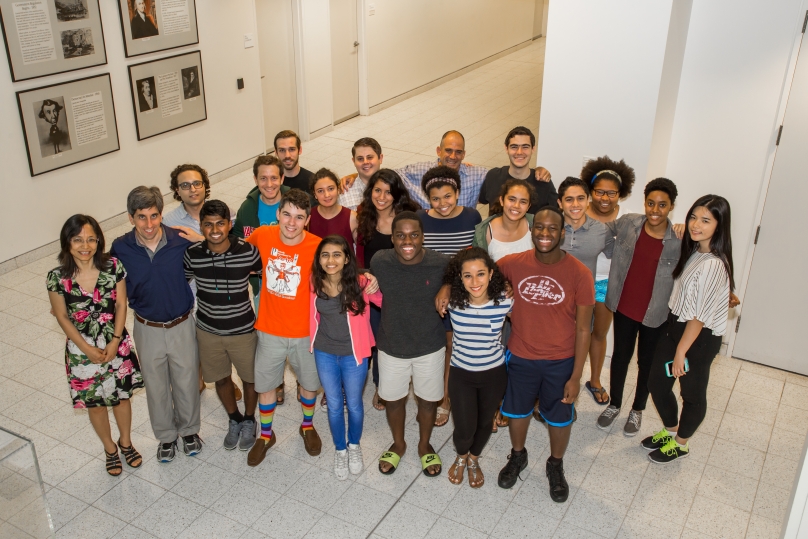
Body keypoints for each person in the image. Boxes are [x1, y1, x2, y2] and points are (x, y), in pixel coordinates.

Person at [495, 206, 595, 502]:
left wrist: (577, 376)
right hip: (521, 355)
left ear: (563, 233)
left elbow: (583, 330)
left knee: (560, 417)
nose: (545, 233)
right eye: (539, 227)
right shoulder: (512, 264)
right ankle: (518, 456)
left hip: (561, 361)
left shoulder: (580, 273)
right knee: (516, 410)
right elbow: (478, 277)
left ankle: (555, 464)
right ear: (531, 230)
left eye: (552, 228)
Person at [110, 186, 202, 463]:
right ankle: (165, 437)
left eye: (154, 216)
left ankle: (189, 432)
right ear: (130, 218)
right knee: (156, 385)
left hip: (182, 323)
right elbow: (100, 279)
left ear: (161, 215)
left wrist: (202, 239)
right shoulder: (120, 247)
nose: (149, 225)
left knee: (186, 381)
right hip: (147, 327)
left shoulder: (180, 240)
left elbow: (219, 252)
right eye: (141, 217)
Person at [47, 215, 144, 476]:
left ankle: (126, 442)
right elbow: (62, 316)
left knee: (122, 398)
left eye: (91, 239)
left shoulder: (113, 266)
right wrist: (87, 348)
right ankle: (110, 448)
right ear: (67, 243)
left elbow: (122, 304)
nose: (85, 245)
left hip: (117, 345)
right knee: (97, 404)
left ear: (98, 240)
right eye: (77, 239)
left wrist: (115, 341)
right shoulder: (57, 278)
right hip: (81, 351)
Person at [644, 195, 735, 463]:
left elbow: (698, 316)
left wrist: (682, 351)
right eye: (694, 217)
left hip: (698, 338)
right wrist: (684, 229)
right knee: (657, 383)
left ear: (719, 225)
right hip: (676, 327)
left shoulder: (714, 264)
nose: (696, 224)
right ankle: (672, 430)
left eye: (706, 220)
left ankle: (681, 443)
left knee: (691, 393)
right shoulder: (696, 250)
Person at [596, 178, 683, 435]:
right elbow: (599, 229)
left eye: (662, 205)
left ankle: (637, 410)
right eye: (651, 203)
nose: (655, 210)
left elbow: (698, 261)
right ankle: (615, 404)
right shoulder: (629, 223)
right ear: (644, 203)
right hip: (625, 304)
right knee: (621, 356)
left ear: (671, 207)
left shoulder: (678, 237)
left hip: (656, 312)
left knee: (646, 361)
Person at [244, 189, 323, 466]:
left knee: (310, 384)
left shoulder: (318, 246)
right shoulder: (262, 236)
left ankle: (307, 426)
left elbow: (341, 275)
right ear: (277, 214)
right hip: (269, 330)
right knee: (265, 385)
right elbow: (239, 255)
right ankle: (266, 435)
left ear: (308, 219)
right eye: (286, 214)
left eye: (299, 217)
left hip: (305, 333)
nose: (291, 222)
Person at [370, 212, 449, 477]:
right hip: (392, 346)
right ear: (391, 238)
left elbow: (461, 274)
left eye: (414, 235)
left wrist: (447, 286)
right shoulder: (380, 261)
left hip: (430, 346)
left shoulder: (440, 263)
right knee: (394, 400)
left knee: (428, 402)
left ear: (423, 237)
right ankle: (399, 443)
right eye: (400, 235)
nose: (408, 241)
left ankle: (425, 445)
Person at [183, 200, 262, 453]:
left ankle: (250, 418)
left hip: (243, 331)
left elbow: (262, 275)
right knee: (220, 378)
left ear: (230, 224)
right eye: (208, 224)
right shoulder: (192, 254)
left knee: (250, 379)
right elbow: (182, 282)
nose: (214, 229)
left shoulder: (248, 252)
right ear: (201, 226)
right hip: (208, 331)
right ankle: (234, 418)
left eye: (220, 223)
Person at [163, 164, 242, 398]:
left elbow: (236, 248)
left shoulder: (221, 211)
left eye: (197, 183)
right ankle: (200, 380)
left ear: (205, 186)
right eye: (185, 185)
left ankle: (226, 380)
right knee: (196, 341)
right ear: (177, 190)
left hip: (223, 288)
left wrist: (201, 240)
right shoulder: (169, 221)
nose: (192, 189)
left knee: (224, 341)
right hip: (190, 291)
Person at [309, 235, 382, 479]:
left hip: (354, 354)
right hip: (324, 352)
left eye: (337, 254)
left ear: (347, 258)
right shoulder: (313, 282)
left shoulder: (361, 283)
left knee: (354, 404)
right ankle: (340, 449)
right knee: (333, 405)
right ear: (319, 259)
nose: (331, 260)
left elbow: (386, 301)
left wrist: (376, 281)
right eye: (325, 255)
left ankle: (354, 446)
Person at [417, 165, 482, 427]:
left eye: (447, 196)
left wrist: (450, 285)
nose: (442, 203)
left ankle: (446, 398)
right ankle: (430, 395)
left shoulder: (472, 217)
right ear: (427, 199)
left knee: (453, 347)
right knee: (432, 348)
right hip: (428, 293)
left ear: (457, 193)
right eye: (435, 198)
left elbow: (475, 259)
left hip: (462, 293)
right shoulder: (421, 219)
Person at [340, 130, 551, 209]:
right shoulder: (417, 171)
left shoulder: (478, 175)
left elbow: (510, 173)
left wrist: (536, 170)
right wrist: (357, 174)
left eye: (458, 152)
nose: (452, 156)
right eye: (448, 151)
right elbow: (385, 174)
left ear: (464, 154)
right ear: (438, 150)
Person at [443, 247, 511, 488]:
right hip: (461, 374)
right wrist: (445, 286)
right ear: (459, 278)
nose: (475, 281)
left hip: (494, 374)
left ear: (491, 274)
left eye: (480, 274)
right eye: (467, 275)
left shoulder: (505, 301)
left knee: (484, 423)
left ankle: (473, 459)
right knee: (464, 426)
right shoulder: (451, 302)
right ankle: (461, 455)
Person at [473, 178, 537, 431]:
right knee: (493, 357)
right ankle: (491, 405)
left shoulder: (535, 225)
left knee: (520, 358)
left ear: (529, 205)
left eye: (523, 201)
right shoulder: (484, 230)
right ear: (501, 200)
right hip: (495, 306)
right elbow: (478, 269)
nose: (516, 205)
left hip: (529, 307)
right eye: (512, 199)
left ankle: (511, 403)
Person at [355, 169, 419, 411]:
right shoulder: (364, 215)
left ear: (397, 194)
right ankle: (381, 385)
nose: (382, 197)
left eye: (388, 192)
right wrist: (364, 275)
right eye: (377, 190)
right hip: (370, 291)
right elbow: (360, 257)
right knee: (376, 340)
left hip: (398, 289)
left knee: (391, 340)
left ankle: (395, 384)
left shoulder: (407, 218)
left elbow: (414, 255)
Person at [580, 156, 636, 406]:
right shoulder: (578, 212)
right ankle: (568, 378)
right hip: (579, 282)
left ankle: (594, 381)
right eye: (599, 192)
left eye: (611, 193)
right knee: (574, 333)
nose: (604, 198)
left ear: (620, 194)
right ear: (590, 191)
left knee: (599, 334)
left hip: (607, 283)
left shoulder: (627, 219)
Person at [556, 177, 614, 409]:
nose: (575, 204)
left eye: (581, 198)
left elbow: (615, 259)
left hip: (584, 300)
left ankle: (587, 382)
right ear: (560, 202)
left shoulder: (602, 231)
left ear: (588, 200)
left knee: (585, 339)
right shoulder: (552, 225)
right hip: (555, 299)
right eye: (569, 199)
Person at [308, 167, 359, 409]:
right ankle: (331, 388)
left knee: (346, 334)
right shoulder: (308, 217)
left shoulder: (351, 216)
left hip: (346, 284)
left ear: (338, 189)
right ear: (314, 194)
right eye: (320, 190)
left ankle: (347, 385)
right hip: (319, 284)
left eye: (330, 188)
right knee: (325, 333)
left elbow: (357, 251)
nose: (326, 194)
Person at [479, 126, 558, 214]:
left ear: (533, 149)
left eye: (525, 147)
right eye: (514, 147)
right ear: (506, 149)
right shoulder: (493, 176)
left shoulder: (543, 182)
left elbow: (557, 214)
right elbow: (478, 199)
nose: (519, 152)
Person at [339, 138, 384, 211]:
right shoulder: (343, 193)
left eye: (370, 157)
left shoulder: (394, 186)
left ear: (380, 158)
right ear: (354, 161)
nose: (365, 162)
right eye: (360, 159)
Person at [274, 130, 316, 205]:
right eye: (282, 150)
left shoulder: (313, 181)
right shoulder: (271, 183)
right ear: (276, 152)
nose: (287, 155)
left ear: (299, 150)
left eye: (292, 149)